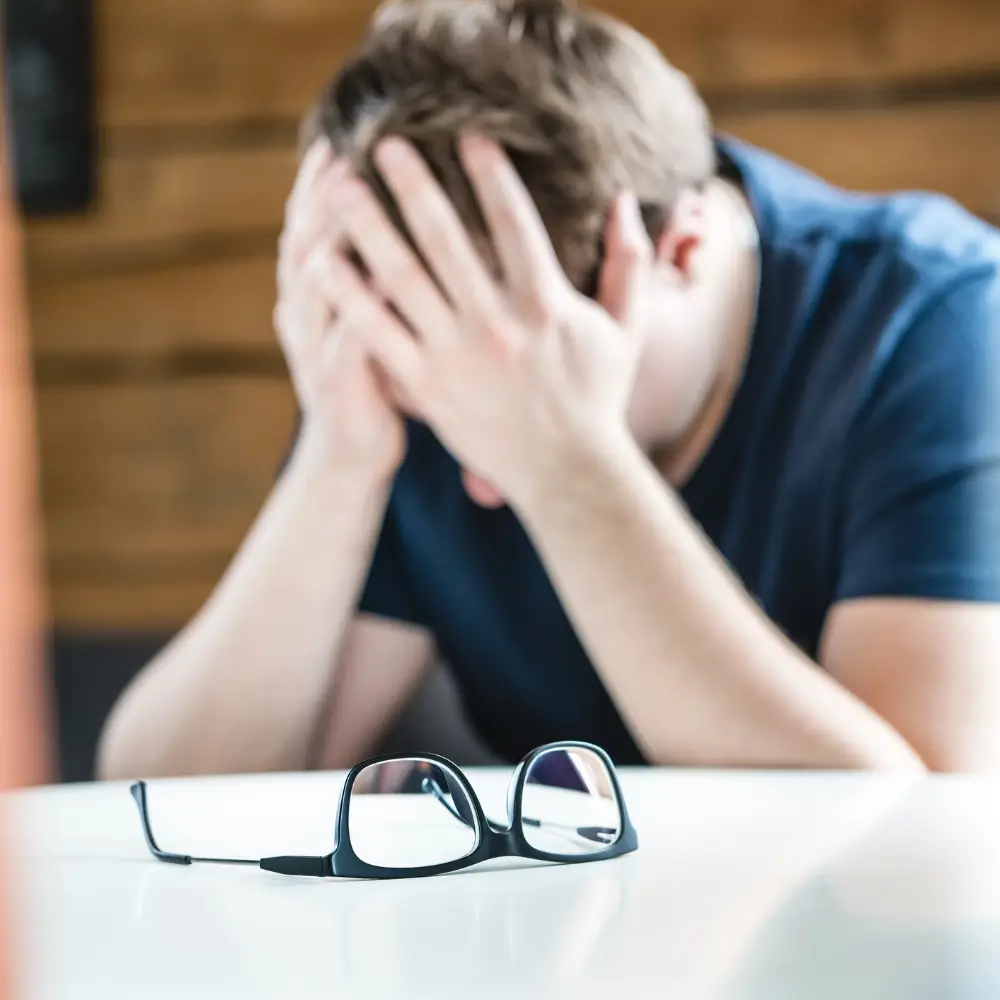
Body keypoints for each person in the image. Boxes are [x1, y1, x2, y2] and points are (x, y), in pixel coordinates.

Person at [98, 0, 1000, 781]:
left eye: (507, 367)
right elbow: (177, 793)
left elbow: (919, 834)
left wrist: (567, 466)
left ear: (680, 251)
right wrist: (338, 460)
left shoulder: (935, 319)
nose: (469, 452)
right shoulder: (428, 342)